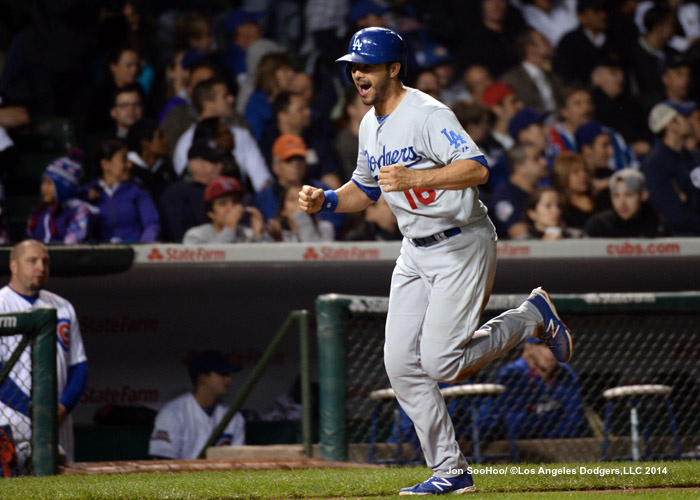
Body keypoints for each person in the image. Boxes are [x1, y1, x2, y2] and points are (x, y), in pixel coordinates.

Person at [300, 27, 573, 495]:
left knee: (443, 363)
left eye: (366, 67)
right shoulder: (369, 125)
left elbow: (478, 168)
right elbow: (364, 191)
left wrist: (412, 177)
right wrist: (325, 200)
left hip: (460, 243)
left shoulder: (427, 113)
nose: (358, 75)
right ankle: (451, 469)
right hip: (414, 251)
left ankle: (530, 318)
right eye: (353, 68)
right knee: (401, 365)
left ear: (393, 68)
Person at [0, 240, 88, 469]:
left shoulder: (63, 306)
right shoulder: (1, 303)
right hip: (10, 418)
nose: (41, 267)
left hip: (58, 421)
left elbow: (79, 365)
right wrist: (38, 411)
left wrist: (61, 407)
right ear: (14, 266)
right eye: (32, 261)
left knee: (60, 485)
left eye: (45, 261)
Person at [172, 77, 272, 193]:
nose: (231, 99)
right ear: (207, 103)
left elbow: (262, 182)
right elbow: (187, 185)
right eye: (225, 96)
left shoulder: (241, 135)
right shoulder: (186, 142)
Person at [481, 338, 587, 440]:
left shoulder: (566, 375)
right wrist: (554, 420)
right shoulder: (513, 374)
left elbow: (575, 423)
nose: (552, 351)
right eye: (545, 345)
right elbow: (515, 426)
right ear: (529, 348)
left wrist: (541, 424)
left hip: (559, 442)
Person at [149, 350, 244, 460]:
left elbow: (238, 463)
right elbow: (162, 463)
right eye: (223, 374)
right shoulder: (173, 413)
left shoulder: (233, 417)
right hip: (182, 476)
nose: (228, 379)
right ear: (202, 378)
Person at [80, 140, 160, 243]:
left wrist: (144, 244)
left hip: (135, 250)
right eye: (124, 160)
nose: (130, 165)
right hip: (101, 254)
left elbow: (151, 223)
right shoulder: (88, 192)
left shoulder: (137, 189)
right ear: (105, 164)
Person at [643, 101, 700, 235]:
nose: (691, 121)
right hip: (679, 245)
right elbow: (674, 217)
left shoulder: (693, 158)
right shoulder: (655, 165)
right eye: (685, 117)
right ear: (671, 125)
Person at [160, 139, 225, 242]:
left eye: (221, 161)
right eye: (214, 161)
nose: (220, 166)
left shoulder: (226, 190)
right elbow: (180, 235)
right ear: (195, 164)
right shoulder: (177, 194)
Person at [27, 151, 97, 244]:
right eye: (44, 182)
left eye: (50, 183)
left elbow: (70, 247)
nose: (44, 188)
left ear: (63, 188)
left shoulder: (79, 211)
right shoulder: (39, 212)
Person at [584, 168, 669, 238]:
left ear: (643, 195)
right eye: (616, 196)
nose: (622, 203)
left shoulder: (657, 225)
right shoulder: (598, 226)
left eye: (629, 195)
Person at [500, 28, 565, 117]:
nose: (549, 41)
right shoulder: (511, 80)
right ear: (531, 48)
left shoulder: (555, 77)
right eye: (543, 39)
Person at [183, 176, 268, 244]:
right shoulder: (195, 236)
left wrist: (259, 236)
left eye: (235, 201)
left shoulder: (248, 234)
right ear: (210, 213)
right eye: (223, 203)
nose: (231, 208)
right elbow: (211, 262)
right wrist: (229, 229)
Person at [490, 143, 548, 239]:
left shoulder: (540, 191)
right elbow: (518, 234)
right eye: (536, 159)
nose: (544, 162)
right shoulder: (506, 196)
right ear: (519, 167)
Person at [551, 151, 598, 230]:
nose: (583, 175)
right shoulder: (561, 209)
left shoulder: (601, 199)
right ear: (563, 176)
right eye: (576, 172)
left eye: (585, 170)